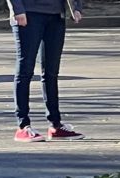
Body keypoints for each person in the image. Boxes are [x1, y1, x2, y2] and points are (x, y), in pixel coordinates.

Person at [11, 0, 81, 143]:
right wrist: (18, 9)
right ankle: (23, 126)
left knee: (51, 73)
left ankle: (55, 125)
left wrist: (76, 7)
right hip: (28, 13)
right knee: (25, 71)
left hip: (56, 16)